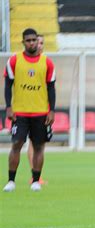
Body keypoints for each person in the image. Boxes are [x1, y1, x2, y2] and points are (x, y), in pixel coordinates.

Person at [3, 28, 56, 192]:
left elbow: (51, 88)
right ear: (23, 42)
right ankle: (11, 181)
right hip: (20, 112)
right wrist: (9, 107)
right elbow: (7, 86)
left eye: (34, 40)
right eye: (28, 40)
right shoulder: (14, 61)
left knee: (39, 146)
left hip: (40, 112)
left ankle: (35, 180)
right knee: (16, 144)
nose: (32, 43)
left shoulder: (47, 63)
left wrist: (51, 110)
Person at [26, 34, 47, 185]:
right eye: (38, 42)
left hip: (42, 108)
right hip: (28, 108)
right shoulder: (25, 62)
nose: (40, 45)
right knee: (32, 142)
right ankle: (34, 176)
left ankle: (37, 175)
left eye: (42, 43)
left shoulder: (45, 62)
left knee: (40, 143)